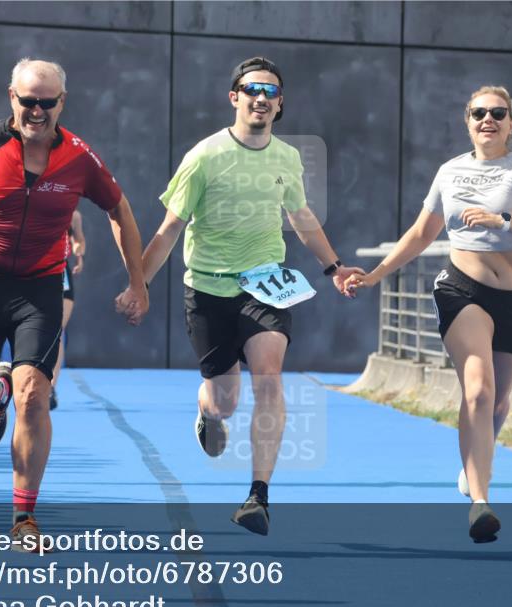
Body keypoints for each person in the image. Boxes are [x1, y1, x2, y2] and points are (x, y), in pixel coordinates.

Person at [0, 58, 148, 548]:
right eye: (28, 101)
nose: (37, 111)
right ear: (11, 97)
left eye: (48, 102)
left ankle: (23, 517)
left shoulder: (80, 157)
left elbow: (119, 210)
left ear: (62, 102)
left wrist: (138, 281)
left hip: (40, 290)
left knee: (35, 396)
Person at [140, 56, 362, 536]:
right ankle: (207, 412)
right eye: (252, 89)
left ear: (279, 104)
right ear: (234, 97)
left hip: (265, 284)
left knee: (270, 377)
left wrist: (334, 268)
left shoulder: (287, 157)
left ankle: (258, 496)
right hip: (207, 287)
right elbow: (170, 229)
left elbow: (301, 218)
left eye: (270, 91)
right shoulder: (204, 156)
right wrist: (139, 284)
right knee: (224, 400)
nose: (261, 97)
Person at [346, 85, 512, 543]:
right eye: (479, 113)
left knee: (499, 402)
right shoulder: (450, 172)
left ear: (511, 122)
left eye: (498, 113)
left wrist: (505, 222)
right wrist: (375, 274)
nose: (488, 120)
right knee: (479, 391)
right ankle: (481, 504)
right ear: (467, 121)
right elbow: (422, 233)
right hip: (462, 290)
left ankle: (474, 464)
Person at [49, 209, 84, 410]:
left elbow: (78, 239)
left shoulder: (74, 215)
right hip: (33, 271)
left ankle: (51, 387)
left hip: (60, 271)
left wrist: (79, 252)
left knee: (57, 329)